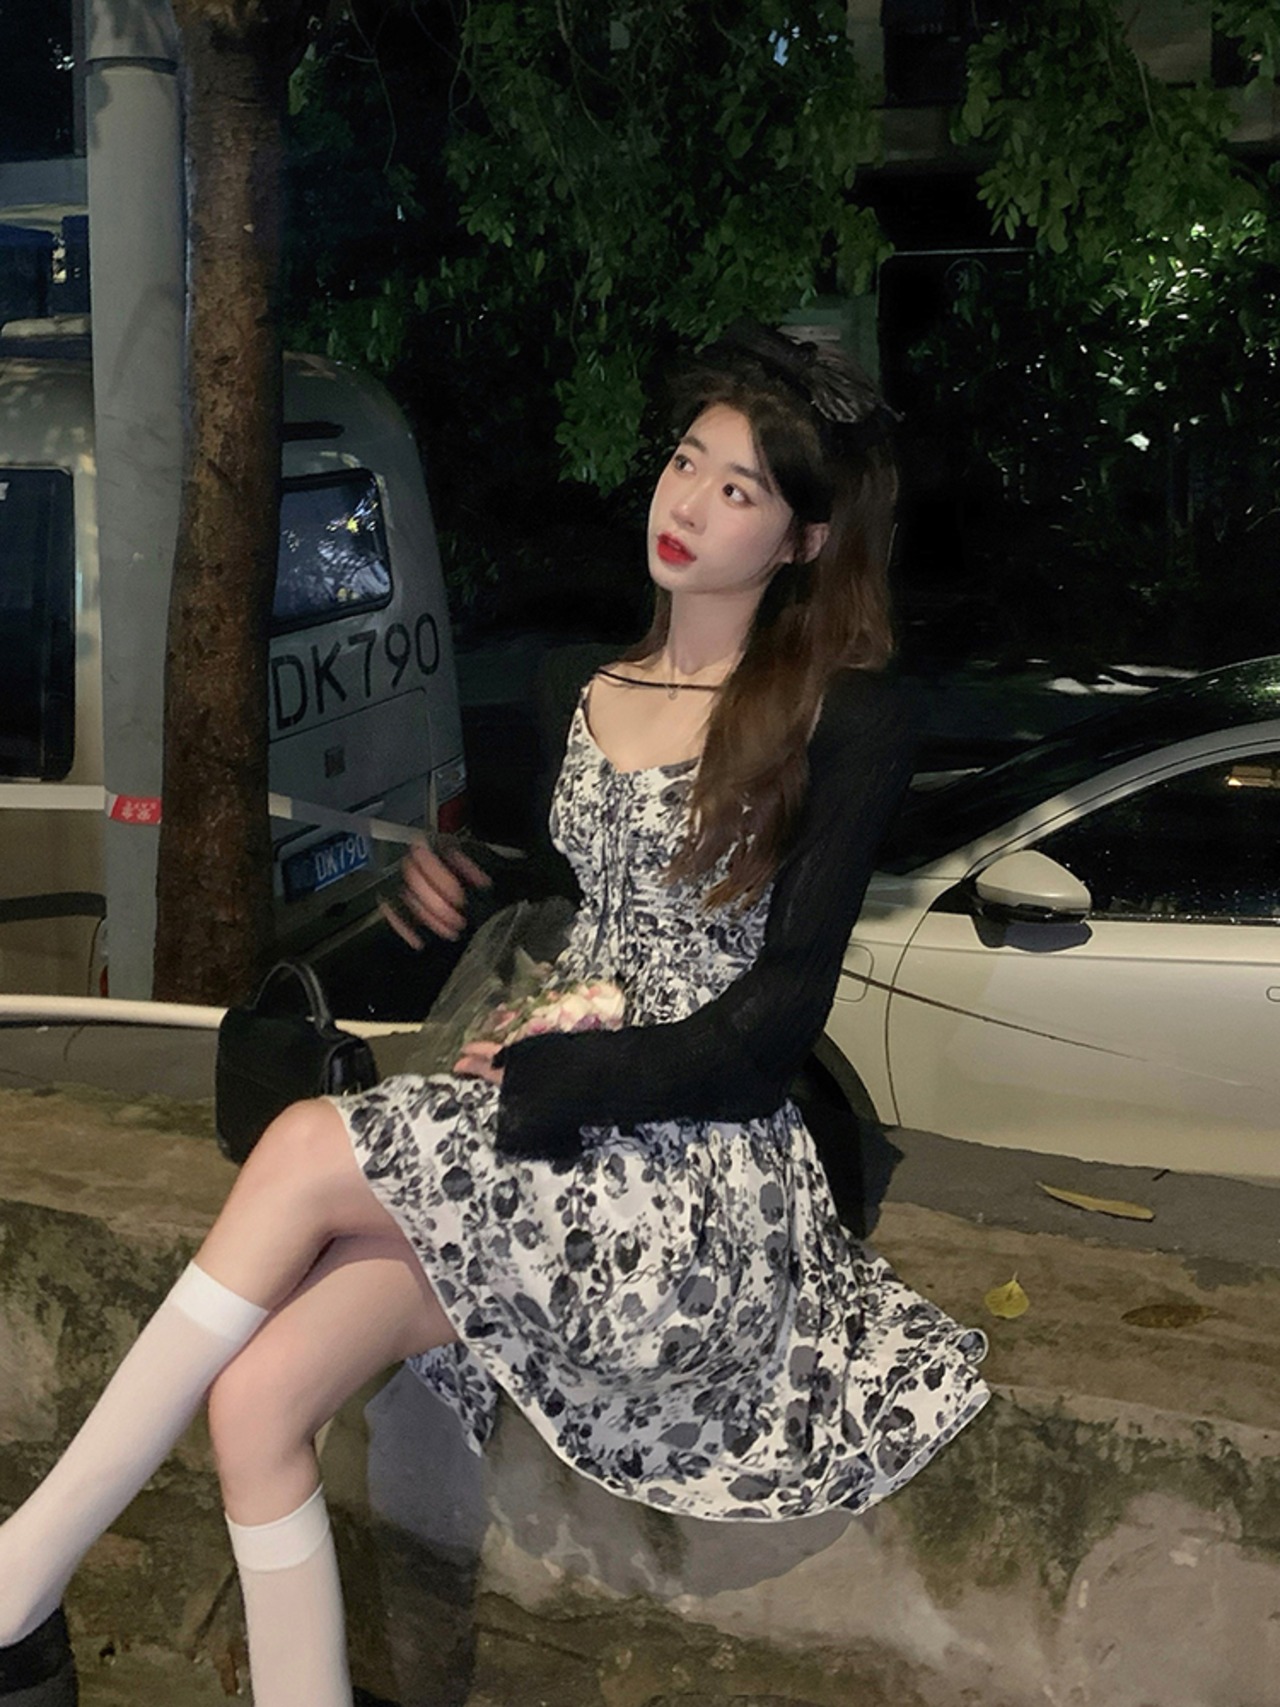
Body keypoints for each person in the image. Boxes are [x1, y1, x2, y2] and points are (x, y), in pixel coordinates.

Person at [0, 323, 988, 1707]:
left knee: (304, 1146)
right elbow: (592, 888)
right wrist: (469, 884)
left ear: (803, 541)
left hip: (687, 1169)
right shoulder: (578, 686)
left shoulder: (847, 716)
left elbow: (769, 1024)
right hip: (543, 1145)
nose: (690, 503)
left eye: (741, 490)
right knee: (258, 1404)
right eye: (686, 462)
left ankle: (13, 1588)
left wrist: (548, 1082)